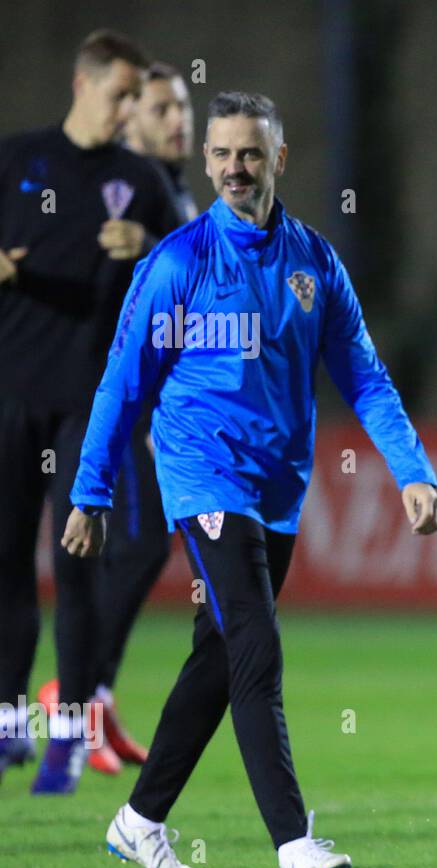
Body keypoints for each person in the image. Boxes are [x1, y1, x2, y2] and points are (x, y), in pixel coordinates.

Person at [65, 91, 437, 868]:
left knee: (220, 654)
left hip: (277, 489)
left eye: (251, 153)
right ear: (206, 163)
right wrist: (90, 490)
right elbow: (122, 384)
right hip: (202, 475)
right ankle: (292, 844)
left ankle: (139, 821)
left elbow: (366, 379)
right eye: (224, 154)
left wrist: (411, 471)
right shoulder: (177, 263)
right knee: (256, 643)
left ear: (278, 158)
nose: (237, 168)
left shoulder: (313, 262)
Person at [0, 29, 181, 793]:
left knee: (76, 566)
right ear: (83, 86)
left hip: (89, 403)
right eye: (122, 95)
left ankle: (68, 738)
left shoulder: (139, 181)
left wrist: (148, 243)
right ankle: (10, 725)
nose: (129, 110)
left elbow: (195, 269)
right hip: (11, 395)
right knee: (6, 565)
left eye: (137, 98)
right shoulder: (16, 160)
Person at [38, 60, 200, 776]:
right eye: (159, 108)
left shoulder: (171, 193)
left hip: (164, 404)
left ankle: (88, 697)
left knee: (142, 546)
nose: (177, 121)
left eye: (181, 108)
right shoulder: (126, 192)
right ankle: (75, 697)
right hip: (112, 399)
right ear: (127, 120)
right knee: (128, 547)